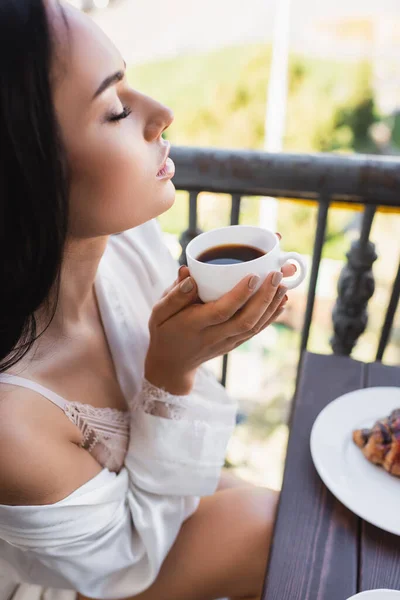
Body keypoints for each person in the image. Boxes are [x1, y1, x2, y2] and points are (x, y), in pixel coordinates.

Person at [0, 2, 292, 599]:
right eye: (114, 109)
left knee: (301, 521)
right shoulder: (10, 425)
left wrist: (199, 331)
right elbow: (121, 566)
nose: (162, 115)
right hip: (86, 578)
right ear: (25, 174)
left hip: (150, 514)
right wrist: (171, 372)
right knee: (272, 533)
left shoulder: (126, 241)